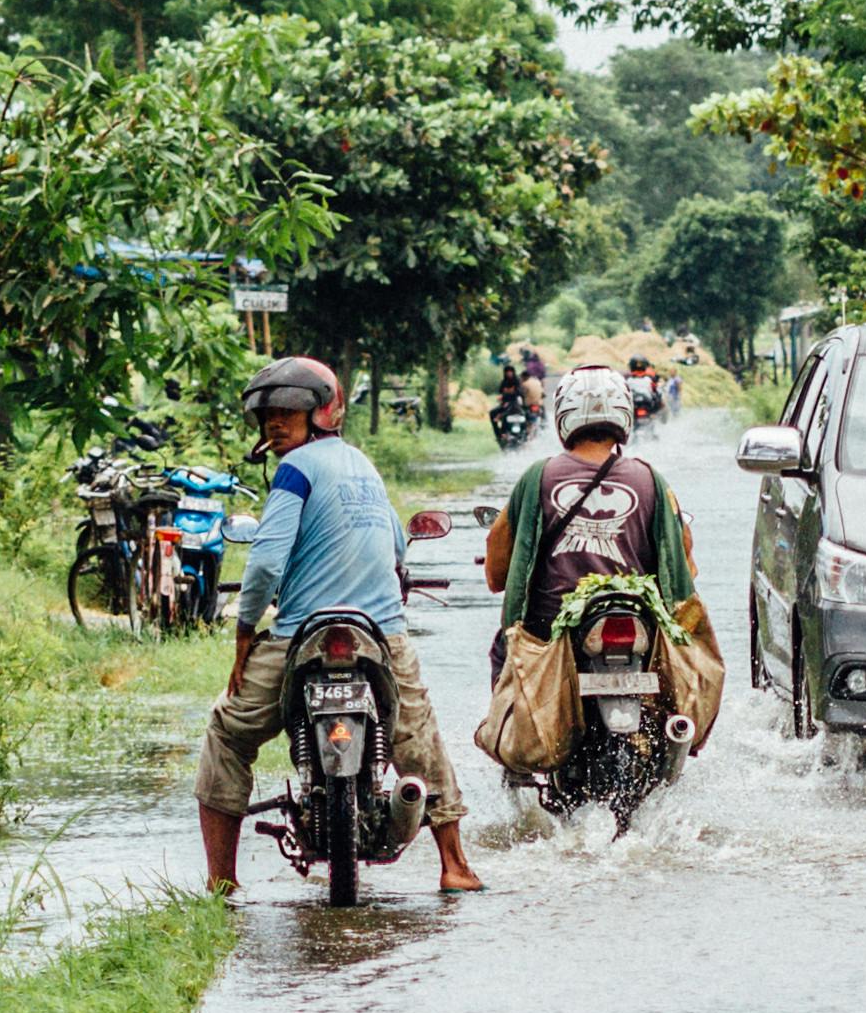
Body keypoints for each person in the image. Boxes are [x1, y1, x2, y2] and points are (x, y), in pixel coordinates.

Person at [196, 353, 483, 895]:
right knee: (418, 736)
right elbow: (398, 550)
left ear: (321, 413)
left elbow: (263, 562)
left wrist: (243, 631)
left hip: (299, 636)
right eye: (269, 415)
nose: (276, 423)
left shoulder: (294, 471)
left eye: (289, 412)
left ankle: (221, 882)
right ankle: (455, 865)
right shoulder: (364, 467)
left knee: (228, 734)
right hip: (381, 635)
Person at [481, 369, 698, 660]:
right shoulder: (651, 480)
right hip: (639, 628)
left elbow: (497, 577)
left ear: (562, 417)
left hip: (548, 632)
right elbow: (684, 568)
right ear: (624, 414)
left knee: (501, 652)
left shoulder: (537, 477)